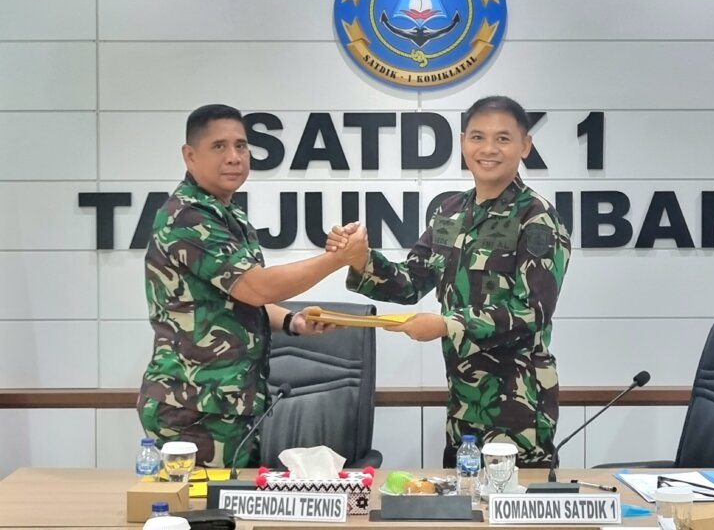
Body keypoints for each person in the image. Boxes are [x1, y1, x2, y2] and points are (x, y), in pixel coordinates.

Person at [327, 96, 571, 468]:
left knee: (513, 519)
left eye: (503, 139)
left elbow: (531, 311)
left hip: (519, 406)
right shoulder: (450, 212)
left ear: (525, 146)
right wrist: (361, 259)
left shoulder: (537, 219)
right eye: (478, 137)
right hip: (463, 402)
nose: (488, 149)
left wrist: (446, 324)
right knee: (465, 512)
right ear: (461, 142)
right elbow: (411, 281)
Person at [137, 104, 366, 468]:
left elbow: (239, 297)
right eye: (219, 147)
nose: (233, 157)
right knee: (202, 518)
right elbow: (256, 287)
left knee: (233, 516)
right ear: (190, 155)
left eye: (241, 146)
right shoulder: (188, 216)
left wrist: (293, 322)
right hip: (195, 407)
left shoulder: (227, 213)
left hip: (227, 403)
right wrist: (338, 258)